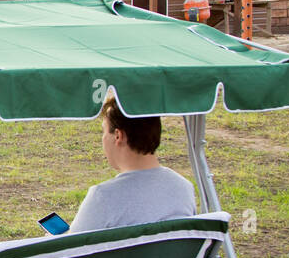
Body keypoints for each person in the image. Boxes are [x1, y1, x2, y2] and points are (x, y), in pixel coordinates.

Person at [67, 95, 197, 233]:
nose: (103, 138)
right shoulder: (183, 188)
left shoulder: (103, 197)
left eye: (103, 131)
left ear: (118, 136)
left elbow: (70, 245)